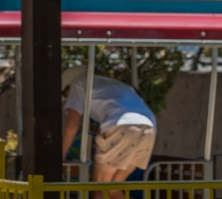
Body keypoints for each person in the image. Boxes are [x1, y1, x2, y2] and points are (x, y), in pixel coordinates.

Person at [61, 66, 156, 199]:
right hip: (149, 127)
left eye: (66, 95)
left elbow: (72, 126)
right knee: (113, 189)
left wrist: (61, 156)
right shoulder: (112, 85)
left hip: (121, 124)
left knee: (99, 187)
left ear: (67, 88)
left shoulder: (78, 84)